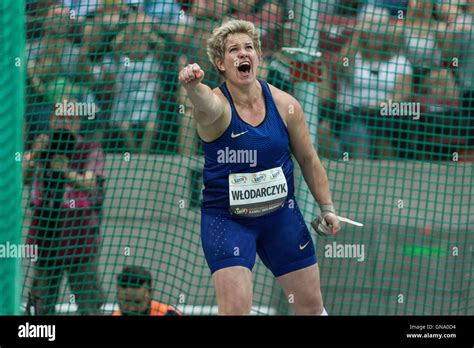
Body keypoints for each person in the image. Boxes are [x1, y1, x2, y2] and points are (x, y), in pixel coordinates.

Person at [178, 20, 340, 315]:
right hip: (228, 222)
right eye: (234, 50)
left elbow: (308, 159)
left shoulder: (286, 105)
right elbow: (204, 105)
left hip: (281, 218)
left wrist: (326, 206)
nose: (243, 54)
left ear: (258, 57)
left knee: (312, 308)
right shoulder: (216, 106)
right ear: (220, 63)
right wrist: (193, 86)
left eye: (249, 48)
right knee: (236, 311)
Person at [23, 101, 105, 315]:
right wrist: (34, 155)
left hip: (78, 230)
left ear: (78, 123)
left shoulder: (90, 149)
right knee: (40, 305)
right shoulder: (42, 147)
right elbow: (23, 177)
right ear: (51, 120)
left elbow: (90, 184)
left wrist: (65, 171)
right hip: (46, 229)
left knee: (89, 304)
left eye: (70, 119)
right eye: (59, 118)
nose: (64, 124)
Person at [113, 266, 182, 316]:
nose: (131, 309)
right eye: (126, 301)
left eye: (137, 302)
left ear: (150, 294)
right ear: (118, 296)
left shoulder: (168, 314)